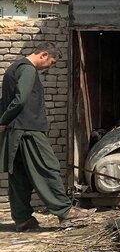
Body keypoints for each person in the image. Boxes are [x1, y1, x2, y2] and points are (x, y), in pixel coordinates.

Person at [0, 42, 94, 231]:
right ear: (43, 54)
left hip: (15, 131)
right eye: (51, 62)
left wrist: (4, 122)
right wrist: (3, 120)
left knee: (20, 175)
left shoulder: (14, 68)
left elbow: (6, 100)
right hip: (28, 130)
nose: (50, 67)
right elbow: (20, 99)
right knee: (47, 167)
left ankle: (22, 218)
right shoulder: (28, 70)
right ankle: (65, 211)